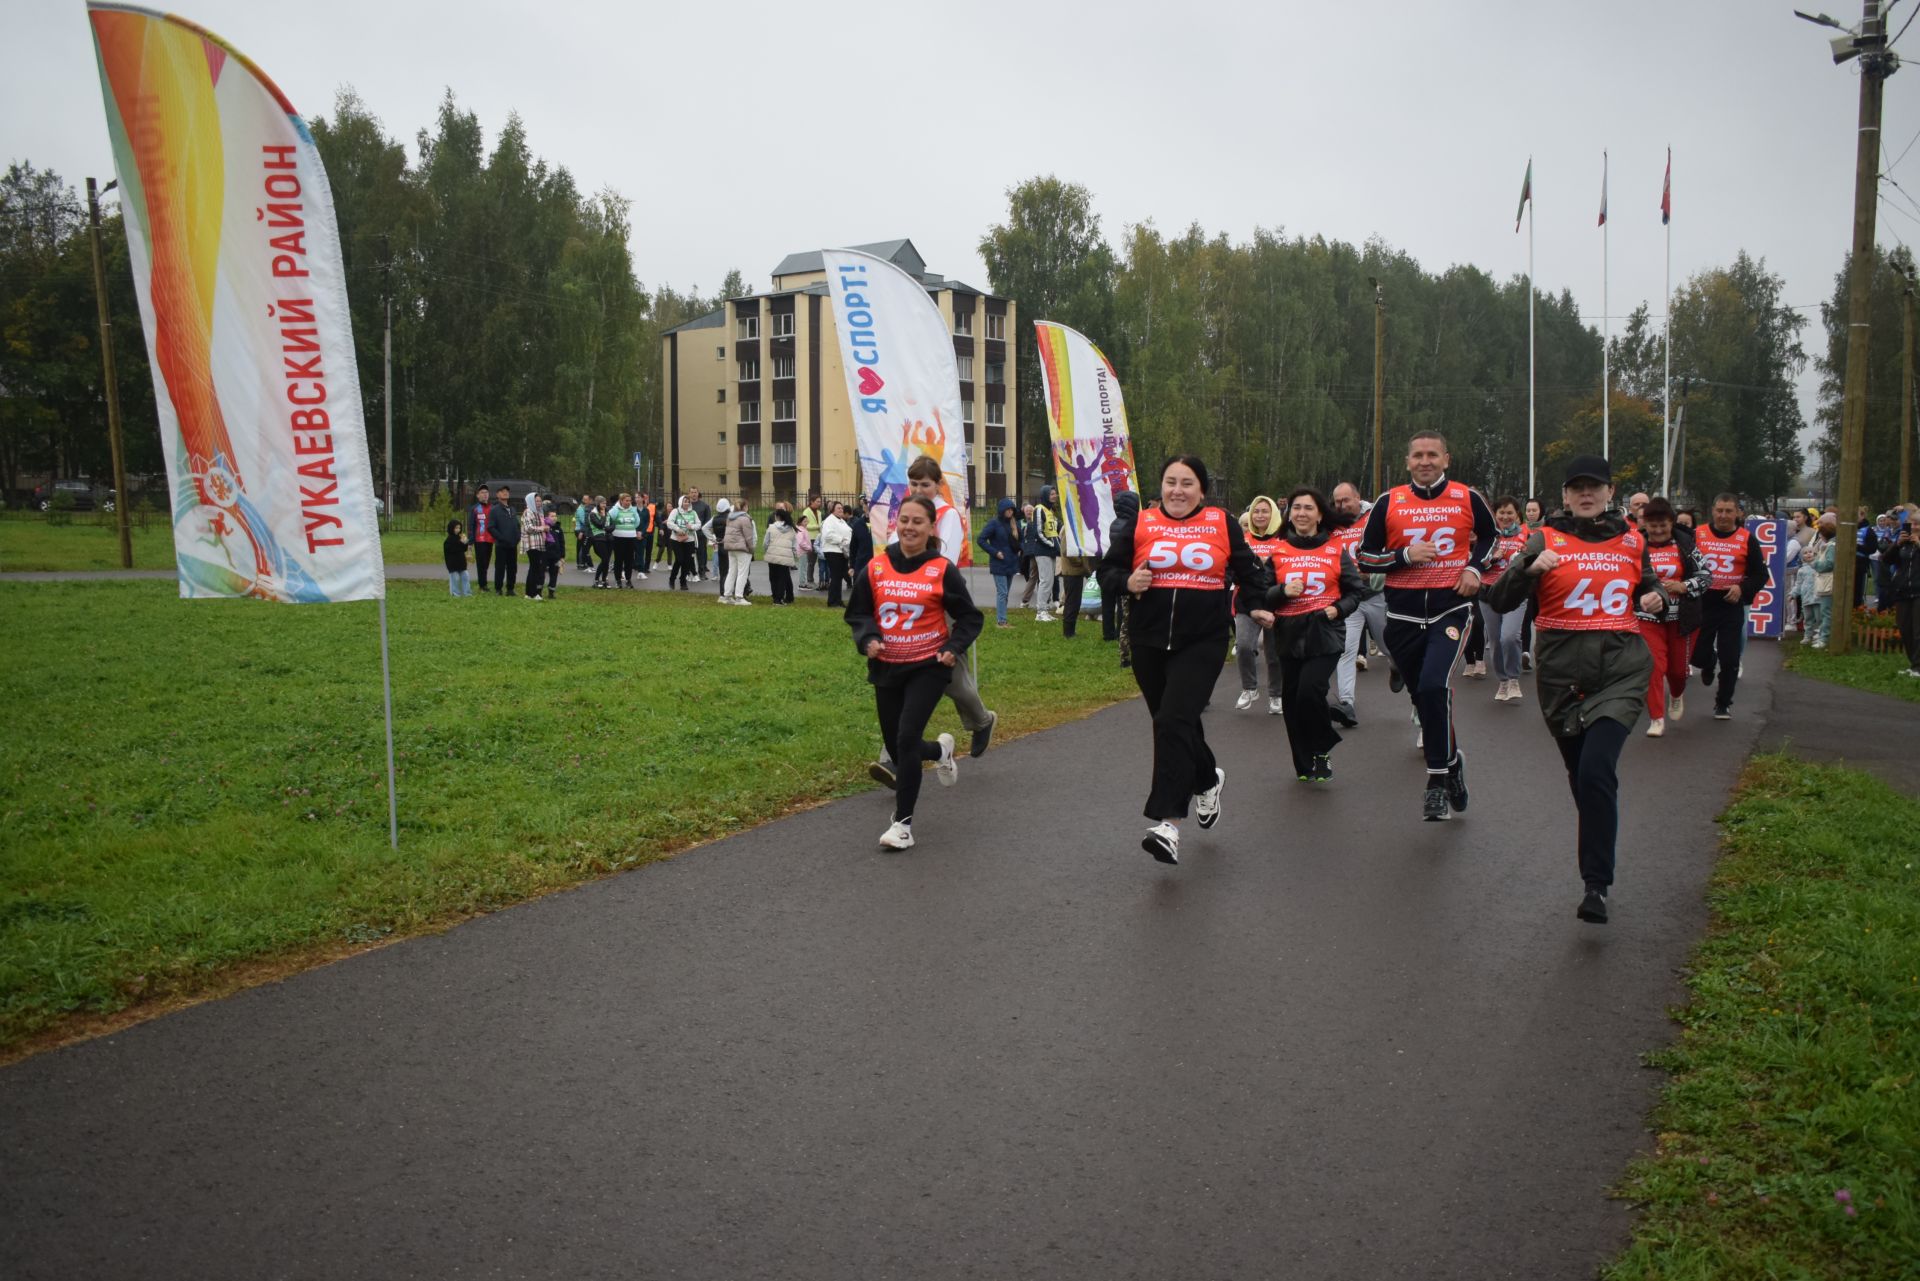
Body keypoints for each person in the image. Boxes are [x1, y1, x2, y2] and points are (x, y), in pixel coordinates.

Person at [1484, 454, 1667, 924]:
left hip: (1621, 668)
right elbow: (1500, 599)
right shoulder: (1544, 537)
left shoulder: (1631, 539)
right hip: (1561, 674)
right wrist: (1528, 568)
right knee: (1580, 776)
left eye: (1596, 487)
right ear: (1564, 495)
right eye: (1577, 487)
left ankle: (1596, 886)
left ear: (1610, 493)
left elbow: (1653, 589)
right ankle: (1597, 851)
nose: (1586, 494)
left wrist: (1657, 597)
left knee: (1597, 770)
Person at [1102, 455, 1272, 865]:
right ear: (1160, 486)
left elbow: (1250, 574)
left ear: (1202, 490)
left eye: (1187, 483)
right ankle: (1207, 777)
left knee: (1172, 721)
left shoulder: (1222, 523)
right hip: (1148, 640)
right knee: (1175, 721)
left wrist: (1260, 606)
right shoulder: (1139, 523)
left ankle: (1168, 824)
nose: (1177, 490)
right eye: (1170, 482)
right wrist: (1126, 581)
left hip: (1203, 641)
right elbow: (1106, 571)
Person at [1356, 431, 1497, 821]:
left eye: (1432, 454)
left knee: (1436, 686)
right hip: (1401, 614)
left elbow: (1491, 537)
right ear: (1407, 462)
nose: (1425, 461)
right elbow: (1365, 557)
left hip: (1450, 609)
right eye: (1417, 455)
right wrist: (1403, 555)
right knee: (1423, 697)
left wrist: (1474, 567)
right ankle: (1452, 764)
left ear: (1446, 459)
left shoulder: (1467, 497)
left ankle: (1436, 781)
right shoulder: (1389, 501)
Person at [844, 494, 983, 850]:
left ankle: (902, 825)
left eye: (917, 521)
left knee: (906, 739)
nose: (909, 527)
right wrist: (869, 638)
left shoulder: (941, 569)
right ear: (896, 524)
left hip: (928, 665)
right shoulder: (875, 568)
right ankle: (939, 752)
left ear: (930, 528)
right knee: (897, 745)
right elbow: (858, 613)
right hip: (887, 667)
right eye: (904, 520)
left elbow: (970, 617)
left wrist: (953, 648)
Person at [1263, 487, 1364, 781]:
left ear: (1320, 514)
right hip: (1288, 634)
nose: (1302, 513)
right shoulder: (1278, 550)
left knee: (1310, 691)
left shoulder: (1335, 549)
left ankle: (1322, 748)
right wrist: (1282, 591)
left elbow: (1355, 591)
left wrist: (1337, 610)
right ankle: (1304, 762)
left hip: (1325, 631)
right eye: (1296, 508)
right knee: (1292, 700)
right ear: (1289, 514)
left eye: (1308, 508)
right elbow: (1263, 594)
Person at [1634, 497, 1712, 736]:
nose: (1657, 531)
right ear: (1645, 524)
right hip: (1647, 617)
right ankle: (1656, 719)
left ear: (1671, 523)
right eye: (1652, 525)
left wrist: (1684, 586)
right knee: (1653, 667)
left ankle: (1676, 694)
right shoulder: (1635, 545)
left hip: (1682, 618)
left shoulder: (1686, 545)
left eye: (1663, 525)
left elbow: (1707, 576)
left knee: (1677, 671)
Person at [1690, 493, 1766, 720]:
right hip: (1703, 603)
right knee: (1696, 655)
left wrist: (1743, 588)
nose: (1723, 516)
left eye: (1728, 511)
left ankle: (1723, 703)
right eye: (1719, 510)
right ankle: (1708, 662)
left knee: (1730, 657)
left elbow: (1760, 574)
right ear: (1712, 511)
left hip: (1730, 604)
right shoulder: (1698, 534)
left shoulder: (1746, 538)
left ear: (1738, 513)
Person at [1330, 481, 1391, 726]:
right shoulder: (1332, 525)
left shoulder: (1376, 515)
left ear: (1358, 498)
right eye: (1337, 502)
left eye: (1346, 500)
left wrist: (1375, 569)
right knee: (1346, 650)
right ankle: (1347, 704)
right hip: (1350, 598)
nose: (1341, 506)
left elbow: (1393, 548)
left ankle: (1397, 668)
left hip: (1377, 595)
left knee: (1391, 647)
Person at [1233, 495, 1287, 714]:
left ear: (1273, 513)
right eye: (1256, 511)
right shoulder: (1242, 540)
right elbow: (1234, 569)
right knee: (1244, 646)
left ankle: (1276, 695)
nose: (1260, 515)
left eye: (1265, 511)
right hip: (1246, 602)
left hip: (1275, 602)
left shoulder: (1284, 540)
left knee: (1274, 654)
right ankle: (1249, 688)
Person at [1479, 495, 1532, 703]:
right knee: (1494, 641)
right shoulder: (1486, 536)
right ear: (1495, 514)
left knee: (1509, 637)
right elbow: (1474, 563)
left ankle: (1513, 678)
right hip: (1488, 593)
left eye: (1510, 512)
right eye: (1501, 512)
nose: (1505, 516)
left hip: (1515, 594)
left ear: (1517, 515)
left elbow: (1533, 562)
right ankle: (1502, 681)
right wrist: (1492, 558)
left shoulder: (1526, 536)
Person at [977, 498, 1023, 628]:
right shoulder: (994, 524)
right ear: (1001, 511)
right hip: (999, 563)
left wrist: (1020, 549)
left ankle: (1002, 619)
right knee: (1002, 592)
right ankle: (1001, 621)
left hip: (1012, 562)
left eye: (1011, 509)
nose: (1010, 511)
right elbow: (981, 540)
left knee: (1005, 593)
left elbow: (1021, 540)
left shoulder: (1015, 523)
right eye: (1007, 509)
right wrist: (995, 552)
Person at [1025, 487, 1062, 621]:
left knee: (1050, 581)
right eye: (1051, 494)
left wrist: (1057, 544)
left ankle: (1045, 610)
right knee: (1045, 581)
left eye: (1055, 493)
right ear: (1045, 495)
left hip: (1051, 551)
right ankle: (1040, 612)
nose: (1054, 496)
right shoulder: (1039, 509)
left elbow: (1055, 530)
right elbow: (1038, 532)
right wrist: (1051, 544)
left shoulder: (1050, 510)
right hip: (1043, 551)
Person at [1891, 505, 1920, 675]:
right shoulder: (1905, 542)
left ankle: (1918, 667)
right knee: (1904, 628)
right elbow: (1886, 559)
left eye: (1917, 524)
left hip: (1919, 591)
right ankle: (1913, 664)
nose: (1914, 527)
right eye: (1912, 523)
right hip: (1903, 591)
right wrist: (1897, 545)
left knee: (1918, 631)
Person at [1809, 513, 1838, 648]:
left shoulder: (1831, 546)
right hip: (1826, 582)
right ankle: (1823, 635)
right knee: (1825, 611)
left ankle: (1824, 639)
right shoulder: (1830, 545)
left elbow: (1828, 564)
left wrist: (1814, 563)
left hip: (1828, 582)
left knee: (1826, 612)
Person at [487, 487, 521, 595]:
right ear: (498, 494)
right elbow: (491, 527)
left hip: (512, 544)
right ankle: (498, 589)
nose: (505, 493)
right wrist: (501, 538)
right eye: (502, 491)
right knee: (500, 567)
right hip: (501, 544)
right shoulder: (495, 510)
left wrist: (518, 536)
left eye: (507, 491)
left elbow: (517, 525)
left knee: (512, 567)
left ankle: (510, 589)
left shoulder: (512, 509)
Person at [721, 500, 756, 604]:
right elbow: (749, 536)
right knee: (742, 573)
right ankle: (739, 597)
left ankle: (727, 596)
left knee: (732, 571)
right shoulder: (745, 518)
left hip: (730, 548)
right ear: (744, 507)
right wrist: (751, 549)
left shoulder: (730, 517)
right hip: (742, 548)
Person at [763, 503, 799, 604]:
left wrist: (766, 551)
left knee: (773, 577)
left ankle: (775, 596)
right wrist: (794, 556)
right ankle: (779, 599)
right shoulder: (791, 529)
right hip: (785, 557)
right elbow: (794, 545)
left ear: (777, 517)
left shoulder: (771, 527)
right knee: (782, 578)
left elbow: (765, 543)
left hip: (772, 555)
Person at [821, 500, 853, 607]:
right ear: (832, 510)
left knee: (839, 577)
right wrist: (842, 540)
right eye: (838, 508)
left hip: (842, 552)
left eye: (842, 508)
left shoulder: (842, 521)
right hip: (832, 551)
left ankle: (838, 600)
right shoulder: (829, 521)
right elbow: (828, 536)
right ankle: (832, 601)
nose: (841, 510)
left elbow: (849, 532)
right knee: (835, 576)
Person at [666, 495, 701, 590]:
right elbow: (669, 523)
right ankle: (672, 579)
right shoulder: (675, 511)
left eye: (688, 501)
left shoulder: (693, 513)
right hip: (676, 539)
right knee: (680, 559)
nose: (687, 503)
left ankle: (683, 582)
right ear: (681, 502)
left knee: (688, 561)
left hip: (689, 539)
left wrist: (692, 527)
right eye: (685, 501)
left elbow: (699, 524)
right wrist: (677, 529)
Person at [608, 493, 642, 588]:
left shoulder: (633, 510)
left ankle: (628, 580)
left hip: (630, 537)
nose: (628, 502)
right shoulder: (615, 510)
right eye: (626, 500)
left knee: (629, 560)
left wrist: (630, 529)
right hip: (618, 538)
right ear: (621, 501)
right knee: (619, 560)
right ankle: (618, 580)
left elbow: (637, 521)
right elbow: (609, 518)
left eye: (630, 500)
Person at [1059, 552, 1095, 637]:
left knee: (1074, 603)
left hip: (1076, 572)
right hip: (1072, 572)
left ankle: (1070, 630)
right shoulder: (1067, 537)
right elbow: (1066, 551)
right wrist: (1079, 562)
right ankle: (1068, 632)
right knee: (1072, 603)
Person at [467, 484, 494, 593]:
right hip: (479, 540)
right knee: (481, 563)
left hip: (490, 539)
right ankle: (483, 585)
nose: (484, 495)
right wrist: (470, 540)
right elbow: (471, 525)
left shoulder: (493, 508)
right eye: (482, 493)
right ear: (478, 495)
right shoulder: (475, 509)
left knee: (486, 562)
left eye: (486, 493)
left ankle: (483, 581)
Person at [798, 494, 824, 589]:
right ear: (811, 502)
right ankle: (810, 579)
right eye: (817, 501)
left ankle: (816, 579)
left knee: (818, 559)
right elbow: (805, 525)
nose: (819, 503)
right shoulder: (806, 512)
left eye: (820, 501)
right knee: (811, 560)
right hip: (810, 538)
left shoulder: (819, 512)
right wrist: (818, 526)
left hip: (818, 538)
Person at [689, 487, 713, 580]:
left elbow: (708, 521)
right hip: (689, 534)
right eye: (692, 492)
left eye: (695, 492)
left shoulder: (704, 506)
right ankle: (688, 572)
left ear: (698, 493)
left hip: (700, 535)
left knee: (701, 554)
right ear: (689, 493)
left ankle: (702, 572)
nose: (694, 494)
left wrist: (703, 531)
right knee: (688, 554)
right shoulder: (687, 505)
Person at [848, 497, 875, 581]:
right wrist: (852, 566)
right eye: (866, 504)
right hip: (861, 565)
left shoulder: (882, 524)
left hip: (877, 565)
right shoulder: (858, 525)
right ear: (863, 506)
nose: (868, 506)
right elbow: (853, 547)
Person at [443, 519, 471, 597]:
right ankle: (455, 593)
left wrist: (465, 542)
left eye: (459, 528)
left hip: (461, 562)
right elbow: (452, 550)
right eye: (456, 528)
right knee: (455, 579)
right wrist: (461, 543)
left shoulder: (459, 538)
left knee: (465, 577)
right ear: (451, 528)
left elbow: (464, 549)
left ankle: (467, 593)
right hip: (453, 563)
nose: (458, 530)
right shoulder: (448, 540)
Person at [633, 492, 654, 580]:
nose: (637, 499)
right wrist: (636, 532)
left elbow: (647, 522)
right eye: (635, 497)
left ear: (642, 499)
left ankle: (641, 572)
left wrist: (642, 532)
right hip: (633, 535)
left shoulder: (646, 510)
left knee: (641, 553)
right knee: (631, 553)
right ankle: (629, 569)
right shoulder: (632, 510)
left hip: (643, 535)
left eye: (638, 497)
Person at [573, 496, 593, 571]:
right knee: (582, 547)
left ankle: (581, 563)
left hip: (582, 529)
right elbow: (583, 520)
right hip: (580, 530)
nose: (589, 501)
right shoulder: (581, 509)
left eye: (588, 499)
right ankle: (581, 563)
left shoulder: (584, 508)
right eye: (587, 499)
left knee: (581, 546)